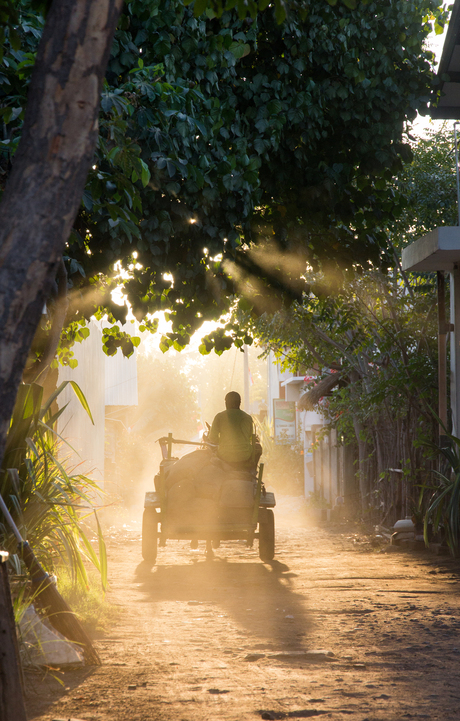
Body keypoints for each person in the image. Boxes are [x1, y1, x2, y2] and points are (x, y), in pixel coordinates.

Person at [207, 391, 261, 470]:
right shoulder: (247, 418)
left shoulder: (219, 416)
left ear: (227, 403)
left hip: (224, 456)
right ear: (239, 403)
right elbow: (249, 437)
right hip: (245, 456)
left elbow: (212, 438)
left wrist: (221, 442)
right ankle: (253, 470)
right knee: (258, 447)